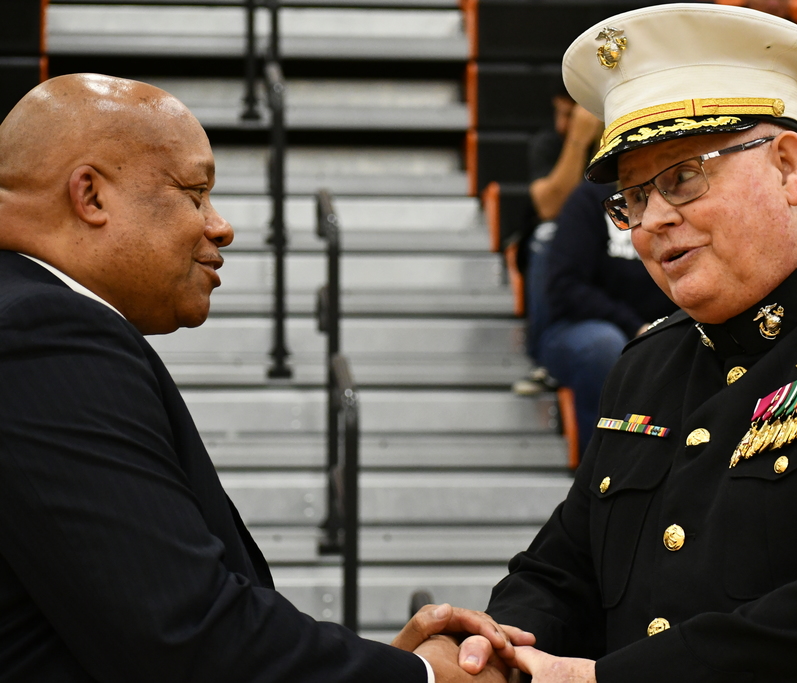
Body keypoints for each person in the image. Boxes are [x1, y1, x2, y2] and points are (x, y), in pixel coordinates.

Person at [447, 4, 797, 681]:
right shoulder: (649, 362)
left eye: (683, 176)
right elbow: (559, 570)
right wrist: (495, 651)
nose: (652, 220)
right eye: (631, 197)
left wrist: (599, 679)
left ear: (786, 165)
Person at [0, 73, 533, 682]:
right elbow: (185, 636)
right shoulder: (43, 332)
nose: (220, 225)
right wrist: (423, 677)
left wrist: (385, 667)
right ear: (91, 196)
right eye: (195, 193)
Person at [535, 180, 677, 461]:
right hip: (579, 329)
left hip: (661, 330)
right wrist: (636, 327)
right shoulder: (591, 199)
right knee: (606, 347)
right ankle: (604, 468)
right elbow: (566, 287)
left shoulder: (674, 197)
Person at [513, 88, 604, 396]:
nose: (563, 125)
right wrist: (578, 142)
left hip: (607, 253)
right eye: (559, 114)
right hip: (556, 255)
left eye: (572, 116)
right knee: (549, 236)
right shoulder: (551, 144)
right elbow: (551, 207)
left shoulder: (618, 146)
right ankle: (545, 356)